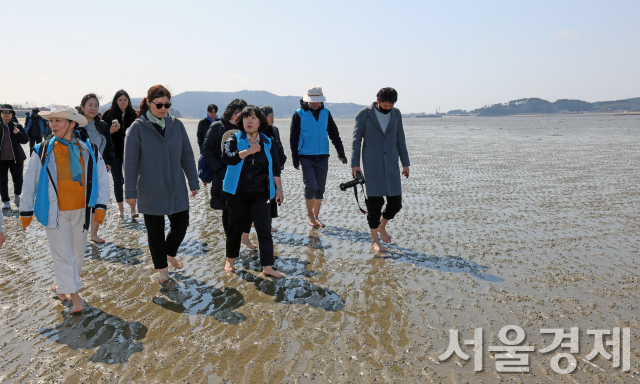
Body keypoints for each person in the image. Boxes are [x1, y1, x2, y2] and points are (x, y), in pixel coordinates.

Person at [19, 104, 110, 313]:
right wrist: (25, 211)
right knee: (63, 255)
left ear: (71, 123)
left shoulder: (89, 149)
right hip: (54, 212)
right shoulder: (41, 150)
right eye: (50, 121)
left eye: (58, 120)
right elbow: (29, 181)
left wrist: (101, 207)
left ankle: (61, 287)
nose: (52, 125)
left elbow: (102, 180)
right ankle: (76, 298)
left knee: (78, 254)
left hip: (83, 211)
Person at [124, 85, 199, 284]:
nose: (163, 108)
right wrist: (129, 191)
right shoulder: (137, 128)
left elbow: (187, 156)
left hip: (176, 187)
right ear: (149, 102)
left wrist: (193, 181)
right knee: (155, 232)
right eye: (159, 104)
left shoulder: (176, 125)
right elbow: (130, 163)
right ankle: (163, 270)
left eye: (167, 104)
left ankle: (169, 252)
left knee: (181, 225)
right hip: (150, 189)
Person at [221, 105, 284, 277]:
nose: (249, 121)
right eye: (246, 117)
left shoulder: (268, 142)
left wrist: (279, 189)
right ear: (241, 120)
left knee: (264, 229)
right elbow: (227, 158)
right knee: (234, 227)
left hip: (261, 193)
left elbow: (276, 168)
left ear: (260, 121)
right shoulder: (233, 138)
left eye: (254, 117)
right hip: (236, 192)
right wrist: (248, 151)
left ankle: (268, 266)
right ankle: (230, 259)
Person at [351, 87, 410, 252]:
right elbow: (356, 141)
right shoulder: (364, 115)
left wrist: (405, 163)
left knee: (396, 204)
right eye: (385, 106)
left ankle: (381, 226)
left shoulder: (396, 114)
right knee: (375, 205)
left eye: (391, 106)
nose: (388, 108)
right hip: (372, 166)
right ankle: (375, 240)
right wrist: (355, 164)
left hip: (391, 164)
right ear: (378, 100)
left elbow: (401, 140)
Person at [290, 85, 347, 228]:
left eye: (317, 101)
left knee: (320, 188)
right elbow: (293, 138)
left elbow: (334, 134)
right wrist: (295, 158)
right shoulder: (299, 114)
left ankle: (316, 217)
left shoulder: (326, 113)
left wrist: (341, 154)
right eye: (312, 101)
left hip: (323, 156)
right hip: (306, 156)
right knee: (311, 186)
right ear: (307, 100)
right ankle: (310, 215)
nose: (315, 103)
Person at [202, 99, 255, 249]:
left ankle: (244, 237)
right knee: (227, 210)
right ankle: (231, 244)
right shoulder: (218, 126)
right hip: (223, 175)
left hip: (244, 176)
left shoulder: (245, 128)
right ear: (231, 112)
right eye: (238, 112)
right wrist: (219, 169)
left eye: (244, 113)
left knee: (247, 207)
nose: (241, 116)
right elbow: (207, 150)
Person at [78, 93, 116, 243]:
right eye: (90, 105)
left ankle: (93, 234)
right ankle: (79, 234)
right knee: (80, 203)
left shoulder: (103, 126)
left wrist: (109, 162)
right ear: (82, 107)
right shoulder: (74, 124)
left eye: (96, 105)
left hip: (98, 169)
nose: (93, 108)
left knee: (98, 201)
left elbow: (109, 146)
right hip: (79, 170)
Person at [102, 90, 138, 217]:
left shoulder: (133, 115)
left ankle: (133, 209)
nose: (123, 102)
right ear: (116, 101)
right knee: (117, 180)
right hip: (114, 154)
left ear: (128, 101)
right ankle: (121, 210)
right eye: (120, 100)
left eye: (125, 100)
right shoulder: (108, 115)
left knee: (131, 180)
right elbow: (102, 136)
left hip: (131, 153)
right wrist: (110, 131)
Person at [260, 105, 286, 232]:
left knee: (272, 197)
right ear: (263, 117)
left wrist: (281, 162)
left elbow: (279, 146)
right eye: (270, 116)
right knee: (262, 198)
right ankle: (257, 222)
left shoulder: (275, 130)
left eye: (273, 115)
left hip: (275, 169)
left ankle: (267, 225)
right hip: (263, 171)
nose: (272, 118)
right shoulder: (259, 131)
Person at [0, 104, 29, 209]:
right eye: (4, 112)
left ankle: (17, 195)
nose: (6, 114)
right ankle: (5, 201)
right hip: (1, 160)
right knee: (2, 181)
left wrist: (18, 133)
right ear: (0, 114)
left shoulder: (17, 126)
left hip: (16, 159)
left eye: (9, 112)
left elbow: (25, 140)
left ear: (12, 114)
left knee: (18, 180)